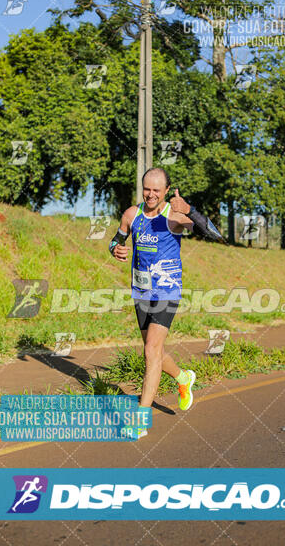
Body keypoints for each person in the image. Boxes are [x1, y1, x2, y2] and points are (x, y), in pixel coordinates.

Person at [109, 167, 224, 438]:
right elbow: (118, 237)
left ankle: (140, 419)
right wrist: (115, 248)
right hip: (141, 291)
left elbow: (215, 234)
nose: (150, 195)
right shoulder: (131, 214)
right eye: (146, 189)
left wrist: (190, 209)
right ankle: (183, 378)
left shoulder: (173, 217)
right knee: (155, 351)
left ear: (166, 191)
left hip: (167, 291)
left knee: (151, 350)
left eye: (156, 191)